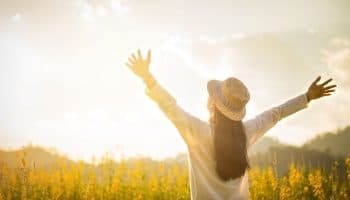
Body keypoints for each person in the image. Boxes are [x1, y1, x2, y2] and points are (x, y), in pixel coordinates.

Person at [125, 49, 337, 200]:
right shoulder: (246, 132)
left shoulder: (198, 132)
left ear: (213, 104)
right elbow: (277, 113)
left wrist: (148, 78)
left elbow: (170, 106)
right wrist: (307, 96)